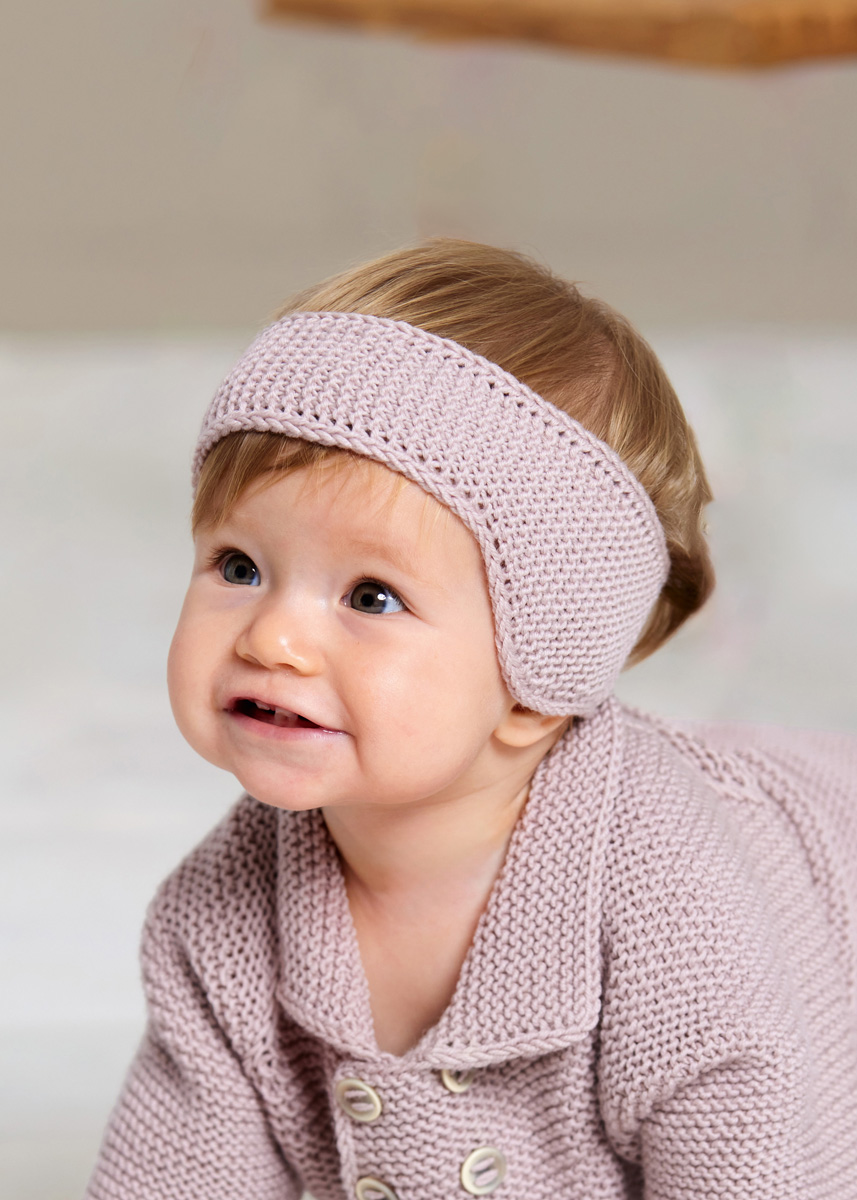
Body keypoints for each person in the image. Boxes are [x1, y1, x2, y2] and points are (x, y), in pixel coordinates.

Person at [85, 239, 857, 1200]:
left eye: (371, 596)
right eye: (239, 566)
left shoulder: (674, 910)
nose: (272, 636)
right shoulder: (219, 918)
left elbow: (758, 1173)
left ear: (536, 685)